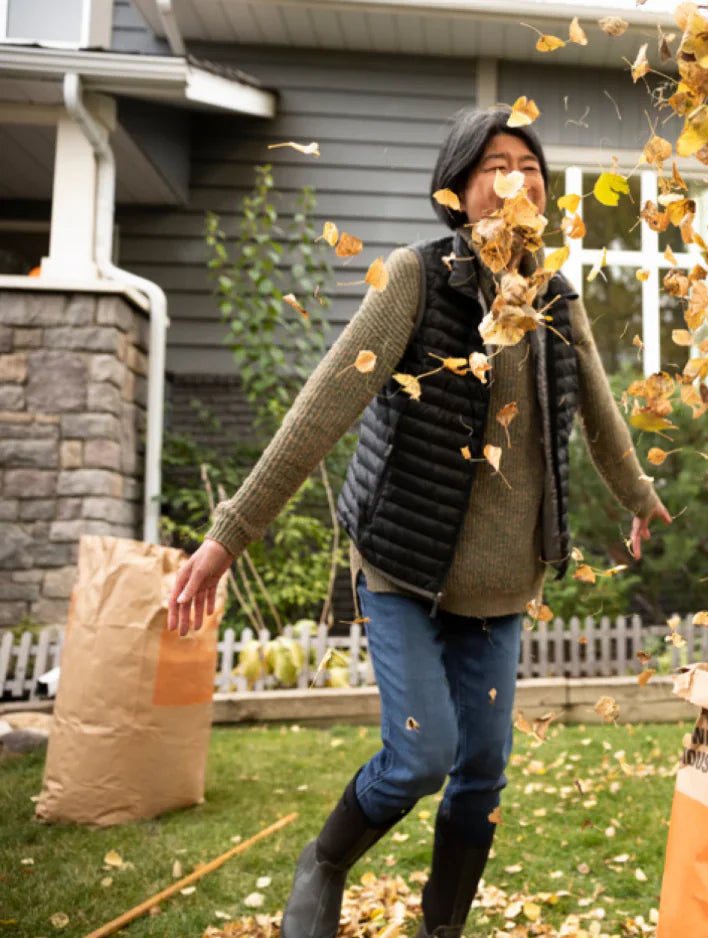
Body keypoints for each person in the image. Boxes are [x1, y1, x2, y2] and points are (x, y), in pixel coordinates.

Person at [167, 106, 671, 938]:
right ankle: (325, 861)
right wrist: (229, 534)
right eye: (495, 166)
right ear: (456, 191)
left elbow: (602, 417)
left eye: (530, 166)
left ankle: (440, 929)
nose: (518, 180)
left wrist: (641, 497)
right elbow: (323, 407)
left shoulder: (554, 296)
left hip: (502, 586)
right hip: (405, 565)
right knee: (421, 758)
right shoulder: (416, 277)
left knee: (482, 773)